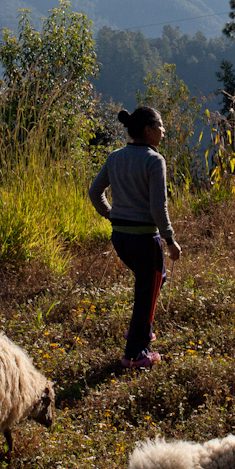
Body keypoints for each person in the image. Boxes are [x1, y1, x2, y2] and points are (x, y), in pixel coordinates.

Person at [87, 106, 182, 370]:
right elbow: (157, 207)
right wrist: (170, 240)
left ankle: (141, 331)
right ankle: (135, 353)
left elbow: (95, 192)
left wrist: (113, 215)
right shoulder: (154, 160)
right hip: (145, 240)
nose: (164, 130)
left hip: (121, 239)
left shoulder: (115, 157)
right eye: (160, 126)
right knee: (147, 291)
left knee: (150, 283)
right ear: (148, 130)